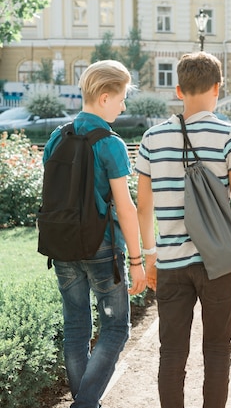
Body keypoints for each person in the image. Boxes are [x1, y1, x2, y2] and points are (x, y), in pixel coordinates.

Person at [135, 51, 231, 408]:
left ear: (178, 90)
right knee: (218, 350)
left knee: (171, 351)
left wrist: (150, 257)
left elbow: (144, 206)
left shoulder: (151, 139)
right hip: (218, 263)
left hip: (171, 262)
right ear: (218, 88)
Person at [43, 60, 147, 408]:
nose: (123, 105)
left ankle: (86, 402)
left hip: (63, 247)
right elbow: (126, 208)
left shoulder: (57, 137)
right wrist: (136, 261)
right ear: (105, 97)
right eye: (121, 98)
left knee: (75, 329)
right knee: (116, 329)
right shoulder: (110, 143)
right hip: (102, 249)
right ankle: (85, 404)